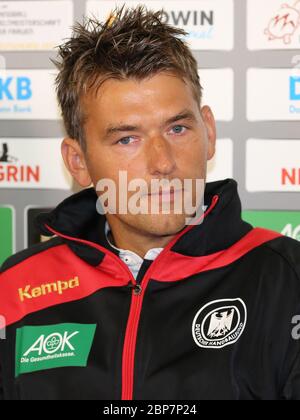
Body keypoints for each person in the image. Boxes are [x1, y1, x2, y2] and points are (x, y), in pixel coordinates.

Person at [0, 5, 300, 401]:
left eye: (178, 128)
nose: (163, 163)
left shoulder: (286, 278)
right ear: (78, 162)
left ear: (208, 131)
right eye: (127, 139)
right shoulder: (17, 288)